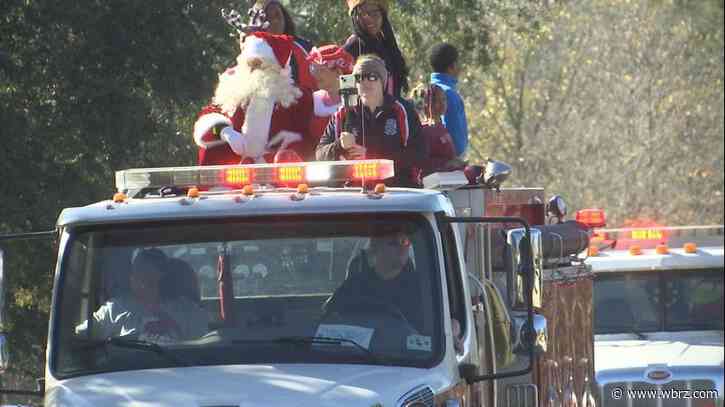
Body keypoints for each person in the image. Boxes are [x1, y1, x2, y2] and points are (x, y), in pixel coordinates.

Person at [193, 31, 315, 164]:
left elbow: (307, 140)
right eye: (249, 64)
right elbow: (208, 120)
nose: (252, 70)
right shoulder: (232, 95)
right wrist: (224, 132)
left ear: (277, 68)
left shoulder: (296, 99)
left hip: (279, 175)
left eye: (258, 65)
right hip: (233, 174)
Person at [315, 55, 425, 187]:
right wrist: (339, 146)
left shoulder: (402, 110)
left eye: (372, 77)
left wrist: (371, 155)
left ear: (382, 82)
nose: (365, 83)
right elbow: (319, 154)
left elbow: (419, 153)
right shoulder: (343, 113)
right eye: (359, 78)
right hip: (354, 194)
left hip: (396, 192)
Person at [75, 249, 209, 343]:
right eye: (139, 274)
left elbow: (207, 345)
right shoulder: (115, 309)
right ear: (131, 278)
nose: (143, 282)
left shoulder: (187, 310)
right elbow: (80, 336)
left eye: (150, 275)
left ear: (164, 277)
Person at [324, 228, 425, 332]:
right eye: (394, 243)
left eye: (405, 241)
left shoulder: (422, 287)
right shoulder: (354, 286)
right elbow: (329, 320)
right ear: (376, 247)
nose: (401, 248)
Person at [343, 0, 409, 98]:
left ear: (382, 15)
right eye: (364, 14)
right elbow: (347, 98)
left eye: (375, 13)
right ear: (355, 17)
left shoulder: (387, 45)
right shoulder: (351, 47)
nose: (369, 18)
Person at [246, 0, 317, 90]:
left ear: (284, 17)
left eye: (277, 15)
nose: (275, 21)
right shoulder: (253, 51)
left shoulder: (305, 47)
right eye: (268, 17)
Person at [410, 83, 465, 177]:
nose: (442, 104)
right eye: (437, 101)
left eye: (444, 99)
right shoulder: (425, 131)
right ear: (427, 104)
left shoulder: (441, 127)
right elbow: (423, 164)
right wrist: (447, 164)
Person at [306, 45, 355, 145]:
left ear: (338, 71)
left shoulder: (352, 100)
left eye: (322, 70)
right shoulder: (314, 98)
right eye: (314, 70)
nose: (316, 75)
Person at [430, 43, 469, 158]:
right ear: (452, 66)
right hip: (449, 163)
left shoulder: (426, 90)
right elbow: (456, 141)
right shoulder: (449, 95)